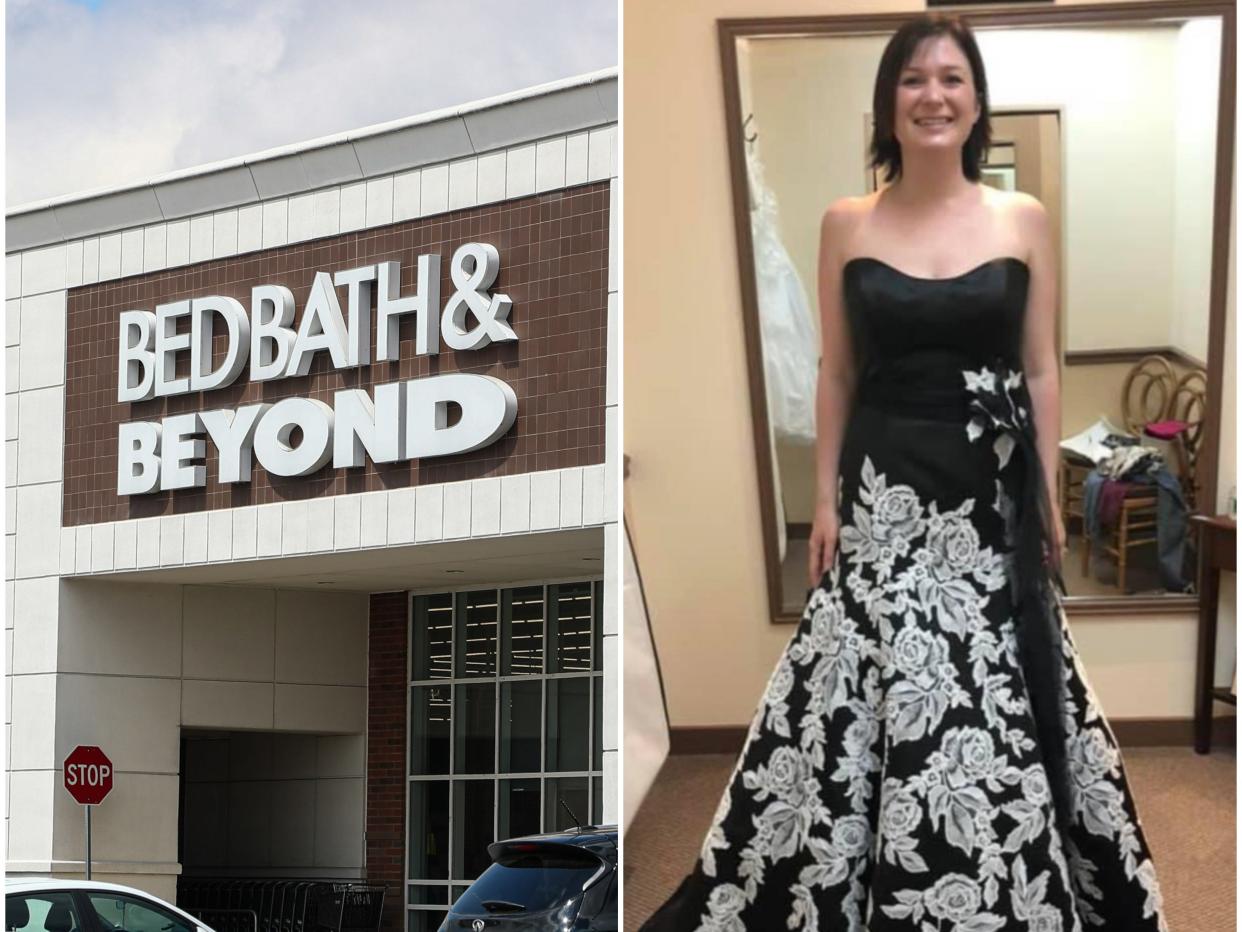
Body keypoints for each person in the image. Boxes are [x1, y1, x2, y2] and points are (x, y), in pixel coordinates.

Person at [639, 13, 1168, 932]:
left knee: (988, 682)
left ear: (976, 103)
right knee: (860, 681)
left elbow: (1040, 368)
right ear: (888, 102)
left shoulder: (1022, 219)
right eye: (914, 79)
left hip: (986, 490)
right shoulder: (846, 223)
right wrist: (824, 502)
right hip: (883, 487)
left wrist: (1046, 490)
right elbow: (835, 370)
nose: (934, 95)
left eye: (953, 79)